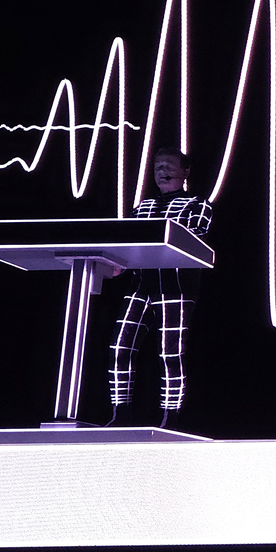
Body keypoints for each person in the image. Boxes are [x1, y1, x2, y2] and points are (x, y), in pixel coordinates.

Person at [104, 148, 213, 428]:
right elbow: (124, 238)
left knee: (170, 352)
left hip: (175, 285)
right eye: (157, 166)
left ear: (185, 172)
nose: (161, 171)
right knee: (120, 346)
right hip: (142, 283)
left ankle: (171, 416)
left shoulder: (197, 204)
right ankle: (120, 413)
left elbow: (194, 240)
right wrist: (116, 262)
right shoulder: (143, 206)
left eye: (168, 165)